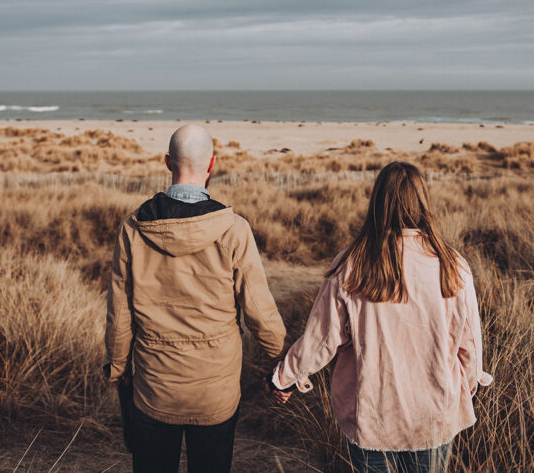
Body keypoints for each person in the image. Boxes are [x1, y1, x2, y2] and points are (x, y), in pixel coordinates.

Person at [268, 161, 492, 473]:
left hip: (372, 418)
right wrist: (465, 388)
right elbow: (468, 342)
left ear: (377, 202)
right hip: (434, 414)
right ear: (423, 202)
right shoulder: (452, 264)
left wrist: (284, 378)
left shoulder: (352, 264)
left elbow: (322, 339)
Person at [105, 124, 286, 473]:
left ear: (167, 161)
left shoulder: (133, 228)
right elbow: (260, 311)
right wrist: (283, 364)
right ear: (212, 164)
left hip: (153, 388)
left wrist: (116, 369)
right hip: (215, 392)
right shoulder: (234, 229)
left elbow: (120, 312)